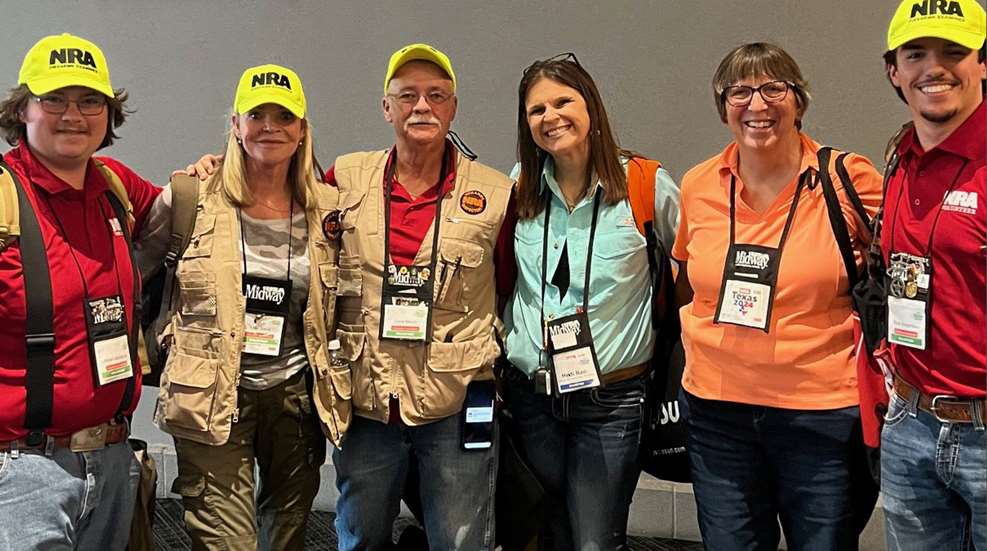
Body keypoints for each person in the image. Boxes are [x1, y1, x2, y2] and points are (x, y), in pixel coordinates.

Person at [672, 42, 884, 550]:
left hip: (821, 414)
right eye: (740, 91)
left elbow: (911, 258)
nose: (757, 104)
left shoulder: (846, 178)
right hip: (717, 412)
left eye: (773, 87)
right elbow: (685, 275)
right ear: (723, 106)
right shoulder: (699, 184)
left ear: (799, 100)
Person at [138, 64, 345, 550]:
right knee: (226, 541)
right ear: (235, 124)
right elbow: (132, 272)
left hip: (295, 396)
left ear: (302, 131)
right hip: (208, 395)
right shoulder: (190, 198)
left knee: (287, 533)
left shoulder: (330, 211)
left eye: (284, 116)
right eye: (257, 114)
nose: (270, 126)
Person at [326, 44, 515, 551]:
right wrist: (214, 166)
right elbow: (276, 195)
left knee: (461, 540)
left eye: (436, 95)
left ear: (453, 107)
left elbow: (509, 283)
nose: (422, 107)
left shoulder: (495, 195)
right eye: (406, 96)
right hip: (367, 398)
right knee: (361, 535)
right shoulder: (345, 178)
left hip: (455, 398)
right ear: (386, 108)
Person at [499, 53, 678, 550]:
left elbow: (696, 268)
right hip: (531, 397)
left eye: (563, 101)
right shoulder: (519, 185)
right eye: (537, 110)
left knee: (596, 540)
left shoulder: (645, 183)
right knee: (546, 530)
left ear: (591, 107)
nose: (550, 117)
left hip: (612, 401)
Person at [0, 33, 160, 550]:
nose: (74, 114)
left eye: (90, 100)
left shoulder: (115, 187)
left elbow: (206, 209)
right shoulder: (4, 197)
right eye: (55, 100)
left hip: (114, 461)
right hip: (22, 472)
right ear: (22, 109)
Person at [877, 1, 986, 548]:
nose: (933, 68)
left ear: (983, 63)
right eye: (915, 53)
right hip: (910, 422)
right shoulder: (900, 156)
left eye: (954, 51)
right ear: (894, 70)